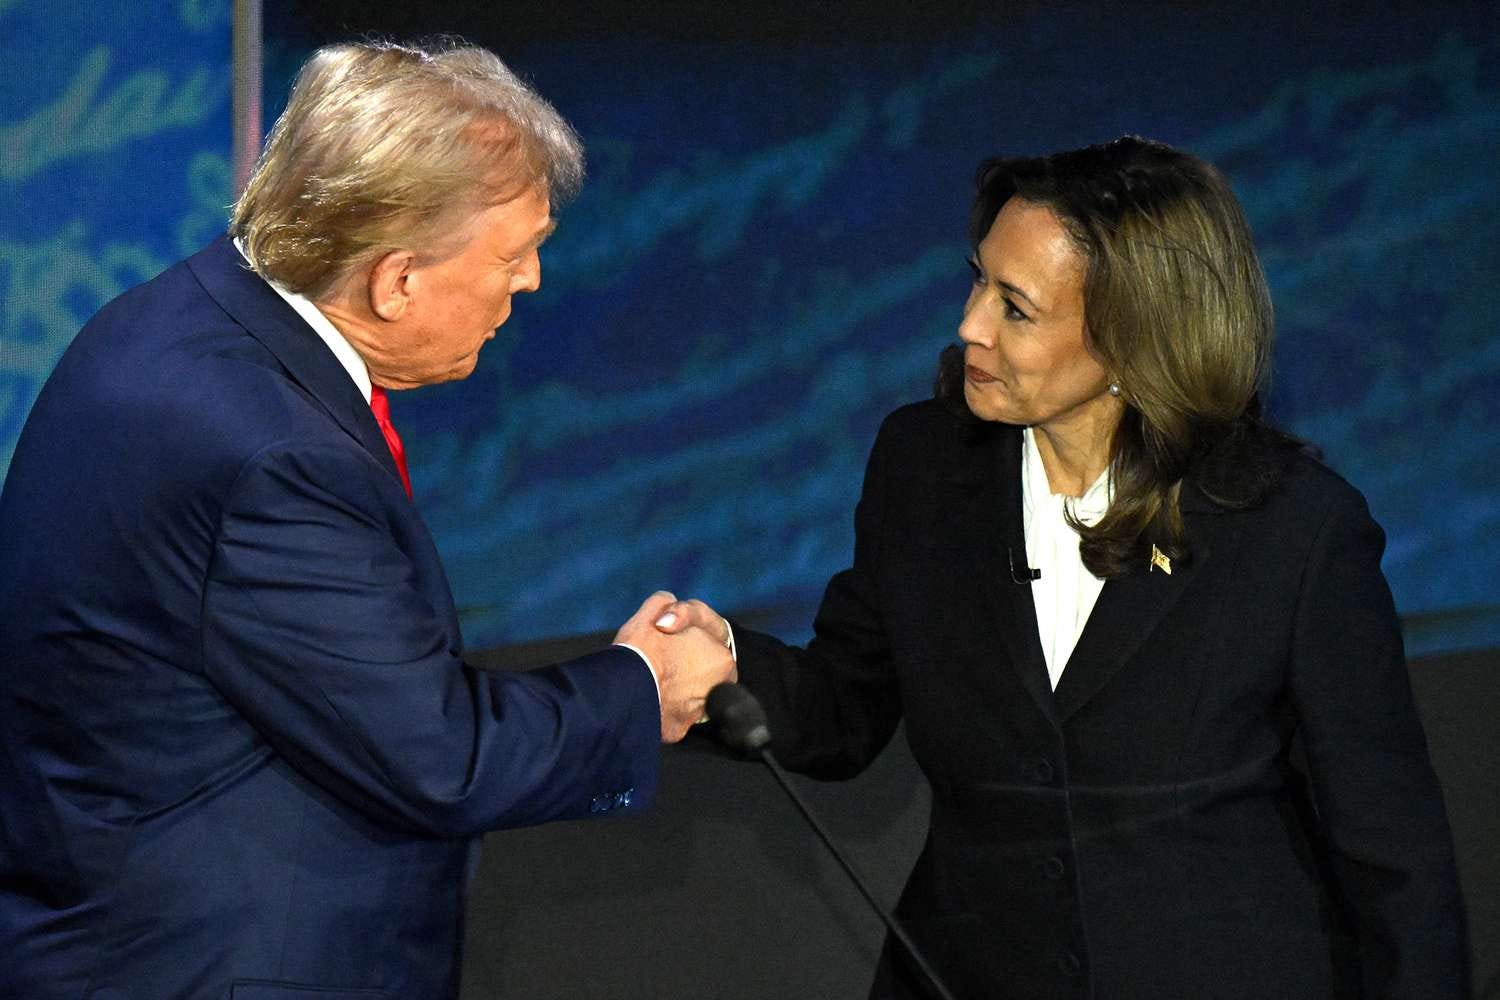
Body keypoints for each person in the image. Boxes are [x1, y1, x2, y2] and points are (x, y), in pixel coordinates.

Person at [0, 40, 735, 1000]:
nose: (531, 282)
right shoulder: (273, 454)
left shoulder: (176, 319)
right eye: (513, 255)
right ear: (396, 280)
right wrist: (644, 685)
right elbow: (441, 757)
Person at [658, 137, 1469, 998]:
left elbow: (1392, 851)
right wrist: (726, 670)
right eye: (978, 281)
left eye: (1016, 308)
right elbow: (844, 708)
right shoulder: (923, 467)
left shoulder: (1293, 528)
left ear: (1133, 337)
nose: (970, 325)